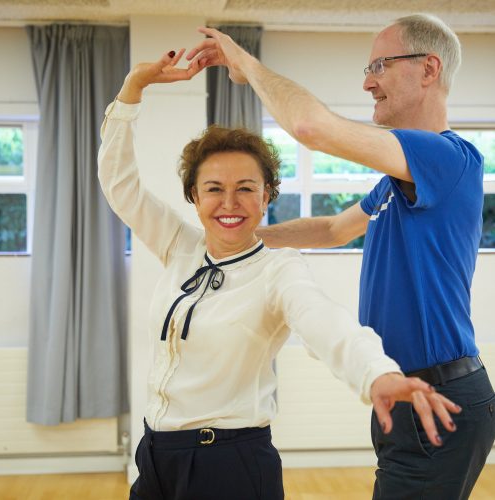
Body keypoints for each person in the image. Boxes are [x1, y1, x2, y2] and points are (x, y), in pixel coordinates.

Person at [98, 48, 461, 500]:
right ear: (193, 195)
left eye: (246, 189)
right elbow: (119, 184)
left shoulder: (278, 269)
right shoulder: (180, 245)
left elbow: (323, 320)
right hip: (155, 457)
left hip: (229, 466)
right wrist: (133, 88)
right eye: (214, 189)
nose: (229, 203)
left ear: (267, 195)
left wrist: (376, 374)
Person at [187, 12, 495, 500]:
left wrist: (247, 63)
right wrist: (240, 237)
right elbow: (332, 228)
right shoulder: (397, 181)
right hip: (405, 393)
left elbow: (311, 126)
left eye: (380, 65)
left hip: (440, 398)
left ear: (429, 69)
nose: (368, 82)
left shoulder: (448, 158)